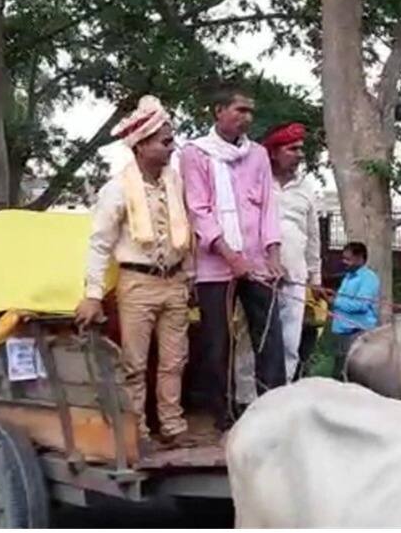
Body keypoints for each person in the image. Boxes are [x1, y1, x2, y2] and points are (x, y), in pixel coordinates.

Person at [75, 95, 193, 447]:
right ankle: (137, 430)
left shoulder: (175, 182)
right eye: (165, 141)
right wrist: (93, 295)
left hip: (174, 281)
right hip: (137, 282)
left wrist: (189, 275)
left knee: (175, 360)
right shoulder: (116, 189)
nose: (172, 147)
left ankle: (172, 425)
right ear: (141, 146)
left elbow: (185, 232)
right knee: (134, 364)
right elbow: (99, 244)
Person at [180, 84, 286, 431]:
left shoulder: (257, 154)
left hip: (257, 263)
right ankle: (223, 416)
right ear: (219, 111)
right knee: (218, 342)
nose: (247, 118)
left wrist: (273, 253)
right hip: (216, 266)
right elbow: (199, 210)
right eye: (240, 110)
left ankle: (274, 409)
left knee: (269, 336)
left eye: (250, 112)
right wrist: (229, 255)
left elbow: (269, 205)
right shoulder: (195, 153)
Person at [262, 122, 321, 381]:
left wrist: (315, 277)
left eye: (301, 149)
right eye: (292, 148)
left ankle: (281, 396)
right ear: (274, 152)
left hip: (295, 277)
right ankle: (245, 400)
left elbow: (313, 236)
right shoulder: (258, 181)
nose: (299, 154)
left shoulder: (306, 188)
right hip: (260, 275)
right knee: (254, 340)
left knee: (289, 341)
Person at [328, 242, 380, 379]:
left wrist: (335, 301)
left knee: (352, 377)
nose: (344, 262)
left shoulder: (369, 278)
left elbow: (361, 305)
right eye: (343, 258)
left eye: (348, 259)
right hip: (342, 332)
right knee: (339, 375)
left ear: (360, 258)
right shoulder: (348, 277)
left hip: (357, 333)